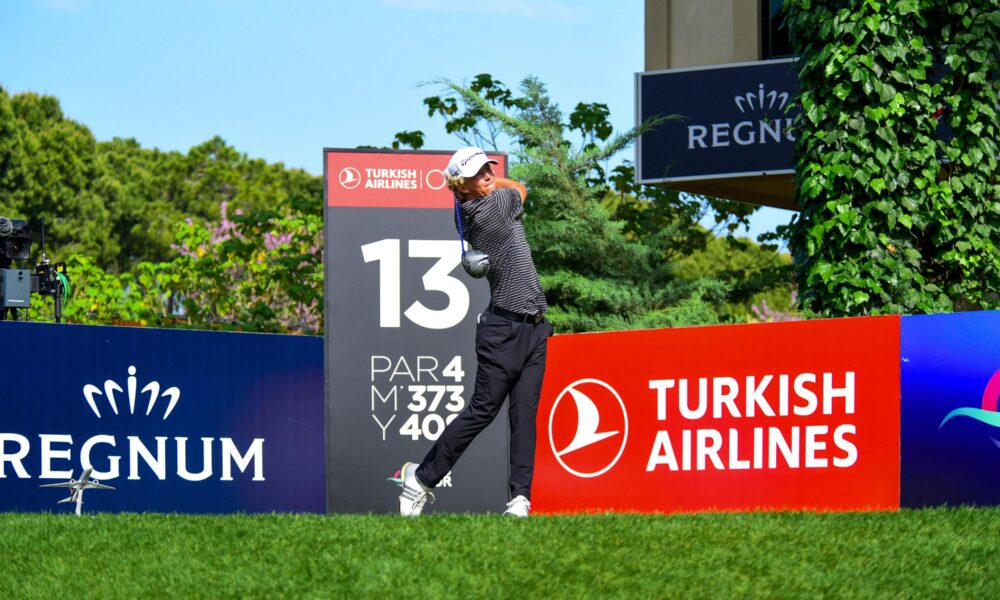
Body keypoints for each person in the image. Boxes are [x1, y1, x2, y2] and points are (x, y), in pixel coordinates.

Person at [395, 146, 551, 518]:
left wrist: (480, 182)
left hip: (534, 327)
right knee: (482, 410)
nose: (488, 175)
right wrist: (499, 183)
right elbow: (521, 188)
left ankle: (520, 499)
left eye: (488, 168)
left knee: (524, 415)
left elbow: (505, 188)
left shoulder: (472, 203)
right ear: (461, 186)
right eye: (478, 173)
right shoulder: (492, 209)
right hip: (504, 331)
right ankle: (420, 478)